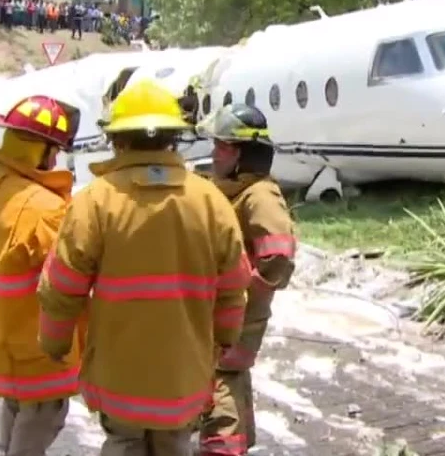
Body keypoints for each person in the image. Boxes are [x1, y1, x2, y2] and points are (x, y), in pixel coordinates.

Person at [37, 79, 250, 456]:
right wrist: (224, 339)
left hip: (119, 379)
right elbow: (234, 287)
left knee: (122, 445)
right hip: (183, 378)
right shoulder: (211, 201)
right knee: (175, 446)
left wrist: (54, 342)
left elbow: (61, 287)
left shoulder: (95, 202)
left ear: (118, 141)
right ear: (172, 139)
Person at [0, 95, 86, 456]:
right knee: (45, 411)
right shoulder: (44, 208)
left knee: (16, 402)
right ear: (43, 150)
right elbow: (67, 277)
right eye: (55, 150)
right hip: (35, 340)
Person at [195, 105, 297, 456]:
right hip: (229, 311)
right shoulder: (237, 191)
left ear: (240, 153)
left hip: (238, 315)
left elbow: (279, 255)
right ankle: (235, 444)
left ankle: (221, 449)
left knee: (220, 380)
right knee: (229, 378)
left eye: (220, 146)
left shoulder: (259, 195)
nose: (213, 153)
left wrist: (240, 290)